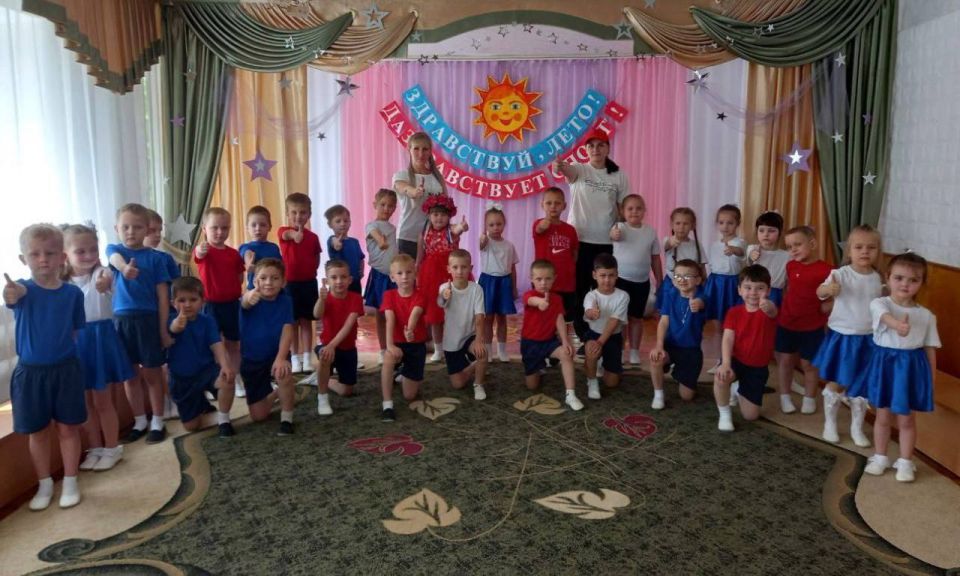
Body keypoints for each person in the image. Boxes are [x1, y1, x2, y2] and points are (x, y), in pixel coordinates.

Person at [5, 224, 86, 510]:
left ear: (62, 257)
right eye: (35, 254)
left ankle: (71, 480)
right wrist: (10, 293)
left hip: (66, 371)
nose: (43, 259)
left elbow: (75, 332)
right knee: (37, 432)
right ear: (23, 259)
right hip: (30, 375)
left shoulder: (73, 294)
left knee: (68, 429)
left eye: (50, 253)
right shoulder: (22, 290)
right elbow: (12, 295)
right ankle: (45, 483)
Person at [849, 253, 940, 483]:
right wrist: (898, 325)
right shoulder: (880, 303)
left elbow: (930, 349)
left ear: (922, 283)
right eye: (899, 278)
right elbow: (885, 317)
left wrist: (931, 379)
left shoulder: (927, 316)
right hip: (884, 367)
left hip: (909, 370)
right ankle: (880, 457)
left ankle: (905, 461)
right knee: (882, 416)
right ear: (888, 278)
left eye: (913, 280)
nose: (905, 284)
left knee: (906, 419)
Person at [62, 224, 130, 472]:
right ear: (65, 254)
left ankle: (112, 447)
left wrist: (104, 284)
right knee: (85, 403)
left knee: (102, 401)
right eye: (81, 251)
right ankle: (95, 447)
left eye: (93, 249)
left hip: (100, 339)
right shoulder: (62, 282)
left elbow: (107, 281)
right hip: (75, 343)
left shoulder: (102, 273)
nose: (89, 255)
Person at [552, 129, 630, 341]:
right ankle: (581, 335)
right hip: (579, 242)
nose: (596, 149)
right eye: (591, 146)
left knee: (603, 290)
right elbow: (565, 170)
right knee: (578, 289)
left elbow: (623, 209)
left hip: (606, 243)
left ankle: (601, 335)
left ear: (608, 148)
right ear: (585, 150)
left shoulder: (619, 175)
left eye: (600, 145)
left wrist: (619, 228)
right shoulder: (580, 169)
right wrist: (558, 166)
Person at [811, 225, 883, 447]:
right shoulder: (840, 274)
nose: (865, 251)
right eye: (858, 247)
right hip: (843, 337)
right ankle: (830, 423)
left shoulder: (877, 278)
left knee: (862, 384)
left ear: (878, 251)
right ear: (849, 251)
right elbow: (820, 291)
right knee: (837, 381)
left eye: (871, 247)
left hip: (869, 339)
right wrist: (828, 290)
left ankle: (856, 428)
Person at [107, 203, 172, 444]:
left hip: (148, 321)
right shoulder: (115, 250)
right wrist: (124, 268)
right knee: (130, 376)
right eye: (125, 227)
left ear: (147, 229)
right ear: (116, 228)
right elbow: (113, 258)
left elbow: (163, 297)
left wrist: (163, 330)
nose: (131, 232)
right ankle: (139, 420)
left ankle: (158, 420)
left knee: (152, 374)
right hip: (122, 322)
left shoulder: (155, 259)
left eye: (137, 227)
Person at [165, 277, 236, 436]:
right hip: (181, 379)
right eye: (181, 300)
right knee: (191, 426)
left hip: (206, 371)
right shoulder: (170, 320)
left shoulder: (207, 320)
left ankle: (224, 421)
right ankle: (201, 403)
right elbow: (173, 328)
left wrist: (225, 365)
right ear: (173, 303)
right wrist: (177, 324)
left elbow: (216, 344)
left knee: (227, 379)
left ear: (203, 301)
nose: (187, 304)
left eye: (193, 299)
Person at [713, 265, 779, 432]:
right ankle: (724, 414)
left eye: (760, 288)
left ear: (768, 290)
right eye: (748, 287)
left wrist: (768, 305)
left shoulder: (768, 310)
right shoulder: (734, 312)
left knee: (750, 416)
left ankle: (737, 389)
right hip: (736, 360)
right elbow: (728, 339)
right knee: (721, 377)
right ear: (739, 290)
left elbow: (772, 310)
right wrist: (725, 363)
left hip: (757, 368)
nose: (753, 292)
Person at [775, 226, 832, 415]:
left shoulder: (828, 270)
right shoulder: (791, 266)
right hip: (787, 323)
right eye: (789, 246)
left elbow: (834, 299)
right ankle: (784, 396)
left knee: (809, 365)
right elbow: (790, 290)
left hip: (813, 327)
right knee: (785, 361)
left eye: (797, 244)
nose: (793, 250)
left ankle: (809, 398)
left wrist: (824, 309)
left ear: (812, 244)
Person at [239, 258, 296, 435]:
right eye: (263, 278)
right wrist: (249, 296)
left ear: (283, 282)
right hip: (252, 360)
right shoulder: (251, 298)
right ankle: (278, 392)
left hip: (275, 354)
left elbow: (287, 330)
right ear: (255, 281)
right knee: (259, 416)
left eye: (275, 278)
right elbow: (245, 302)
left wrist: (281, 358)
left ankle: (287, 418)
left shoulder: (286, 301)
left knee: (283, 372)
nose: (268, 283)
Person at [193, 207, 245, 403]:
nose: (219, 232)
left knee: (233, 344)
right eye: (214, 228)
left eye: (224, 228)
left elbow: (239, 277)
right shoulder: (204, 251)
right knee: (211, 345)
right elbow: (198, 254)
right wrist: (200, 249)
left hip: (231, 305)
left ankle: (236, 378)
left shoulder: (233, 254)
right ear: (204, 229)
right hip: (210, 306)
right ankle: (211, 381)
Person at [520, 260, 583, 411]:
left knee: (566, 354)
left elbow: (559, 319)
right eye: (539, 279)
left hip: (549, 342)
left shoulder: (557, 299)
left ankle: (570, 395)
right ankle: (540, 366)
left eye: (548, 279)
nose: (543, 283)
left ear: (554, 278)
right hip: (530, 344)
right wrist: (540, 302)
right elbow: (531, 300)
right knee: (532, 386)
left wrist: (566, 341)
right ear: (531, 279)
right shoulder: (529, 294)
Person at [648, 259, 707, 410]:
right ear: (673, 279)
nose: (682, 280)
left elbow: (704, 303)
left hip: (691, 350)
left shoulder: (702, 297)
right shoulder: (671, 294)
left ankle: (680, 373)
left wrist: (700, 304)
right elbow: (663, 321)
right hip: (670, 345)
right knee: (656, 357)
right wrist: (659, 345)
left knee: (687, 396)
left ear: (698, 280)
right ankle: (658, 394)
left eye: (687, 276)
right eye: (678, 276)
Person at [610, 194, 661, 366]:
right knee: (621, 319)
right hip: (621, 281)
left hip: (641, 282)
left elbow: (655, 258)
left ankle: (634, 351)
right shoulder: (619, 227)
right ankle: (620, 351)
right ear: (623, 212)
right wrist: (613, 234)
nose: (634, 212)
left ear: (644, 211)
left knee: (636, 318)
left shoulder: (650, 232)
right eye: (630, 209)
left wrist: (659, 280)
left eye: (639, 208)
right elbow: (612, 236)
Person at [416, 193, 468, 364]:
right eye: (435, 214)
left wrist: (462, 227)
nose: (439, 218)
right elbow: (420, 256)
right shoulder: (424, 233)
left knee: (454, 314)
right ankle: (438, 349)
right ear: (429, 215)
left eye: (443, 215)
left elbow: (459, 229)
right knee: (434, 314)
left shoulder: (451, 231)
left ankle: (457, 347)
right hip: (430, 277)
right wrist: (417, 272)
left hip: (451, 275)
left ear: (449, 216)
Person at [312, 260, 364, 415]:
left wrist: (332, 346)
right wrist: (321, 299)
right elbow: (316, 315)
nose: (339, 281)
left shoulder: (356, 298)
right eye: (334, 277)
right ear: (327, 281)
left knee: (346, 391)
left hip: (347, 348)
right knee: (325, 355)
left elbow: (348, 327)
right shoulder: (325, 298)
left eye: (343, 277)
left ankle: (321, 379)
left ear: (350, 280)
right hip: (327, 345)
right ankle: (322, 398)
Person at [277, 193, 321, 374]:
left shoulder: (313, 237)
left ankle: (307, 357)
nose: (298, 216)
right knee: (292, 323)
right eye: (294, 212)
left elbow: (316, 257)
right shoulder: (283, 231)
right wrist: (295, 235)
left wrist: (312, 270)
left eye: (302, 212)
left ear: (309, 214)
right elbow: (286, 235)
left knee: (306, 322)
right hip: (290, 285)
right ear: (287, 214)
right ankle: (295, 358)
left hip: (308, 283)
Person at [379, 254, 427, 422]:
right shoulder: (389, 295)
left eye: (408, 272)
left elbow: (415, 313)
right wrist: (390, 345)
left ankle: (400, 373)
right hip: (397, 343)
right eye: (399, 273)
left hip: (416, 345)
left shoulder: (421, 295)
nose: (405, 277)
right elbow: (389, 320)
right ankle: (387, 405)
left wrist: (410, 330)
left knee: (410, 395)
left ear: (415, 274)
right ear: (392, 277)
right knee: (388, 357)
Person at [438, 250, 488, 399]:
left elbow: (480, 317)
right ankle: (474, 366)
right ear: (448, 269)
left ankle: (478, 384)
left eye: (464, 267)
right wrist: (444, 296)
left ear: (470, 268)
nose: (459, 271)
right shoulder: (444, 288)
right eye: (455, 267)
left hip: (470, 336)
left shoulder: (476, 289)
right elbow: (440, 302)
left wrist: (479, 340)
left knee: (482, 353)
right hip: (451, 342)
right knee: (458, 384)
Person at [582, 254, 629, 401]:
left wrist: (600, 343)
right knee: (591, 350)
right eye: (603, 276)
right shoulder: (591, 296)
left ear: (617, 275)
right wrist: (592, 313)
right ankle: (592, 381)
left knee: (611, 383)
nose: (607, 280)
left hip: (613, 337)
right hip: (593, 334)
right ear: (594, 275)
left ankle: (601, 362)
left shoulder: (623, 296)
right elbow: (588, 311)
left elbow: (614, 322)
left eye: (611, 275)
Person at [532, 187, 579, 335]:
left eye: (557, 203)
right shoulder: (539, 224)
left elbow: (574, 254)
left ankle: (564, 343)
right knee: (545, 318)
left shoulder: (570, 230)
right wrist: (544, 224)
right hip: (545, 284)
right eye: (549, 203)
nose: (553, 206)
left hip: (566, 283)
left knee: (565, 319)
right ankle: (544, 343)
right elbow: (539, 229)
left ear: (564, 206)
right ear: (542, 205)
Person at [393, 132, 445, 258]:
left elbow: (445, 208)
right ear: (409, 149)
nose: (421, 154)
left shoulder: (437, 178)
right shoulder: (401, 175)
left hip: (433, 238)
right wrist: (413, 191)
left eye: (425, 149)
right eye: (416, 149)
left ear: (430, 151)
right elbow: (403, 187)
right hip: (407, 237)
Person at [478, 203, 518, 363]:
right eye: (491, 225)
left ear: (504, 224)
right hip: (488, 282)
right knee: (488, 318)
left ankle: (502, 350)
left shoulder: (509, 246)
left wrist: (514, 287)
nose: (495, 227)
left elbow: (513, 268)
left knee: (502, 318)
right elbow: (481, 243)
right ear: (486, 226)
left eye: (499, 224)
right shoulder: (486, 242)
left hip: (504, 282)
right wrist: (483, 236)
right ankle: (488, 351)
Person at [364, 189, 399, 365]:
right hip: (379, 276)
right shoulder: (371, 226)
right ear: (375, 205)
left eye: (391, 206)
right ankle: (383, 349)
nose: (386, 209)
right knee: (380, 313)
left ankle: (394, 346)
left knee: (394, 313)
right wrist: (381, 241)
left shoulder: (392, 228)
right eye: (383, 205)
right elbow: (377, 236)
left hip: (393, 277)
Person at [656, 207, 706, 311]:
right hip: (672, 283)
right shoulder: (669, 241)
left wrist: (704, 282)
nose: (681, 227)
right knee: (669, 310)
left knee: (689, 309)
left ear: (692, 226)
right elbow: (666, 245)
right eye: (678, 223)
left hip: (691, 285)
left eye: (685, 224)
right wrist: (671, 242)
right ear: (672, 225)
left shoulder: (697, 245)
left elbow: (701, 266)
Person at [745, 211, 789, 308]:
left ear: (780, 232)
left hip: (775, 294)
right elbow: (748, 264)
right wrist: (751, 257)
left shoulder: (787, 256)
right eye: (761, 230)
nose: (766, 234)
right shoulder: (752, 249)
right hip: (754, 292)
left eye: (771, 231)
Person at [238, 205, 281, 291]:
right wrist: (249, 264)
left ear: (269, 227)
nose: (258, 228)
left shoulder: (274, 247)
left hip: (274, 290)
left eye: (262, 225)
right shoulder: (246, 247)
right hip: (255, 290)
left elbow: (281, 267)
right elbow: (247, 253)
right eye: (253, 225)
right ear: (247, 228)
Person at [324, 204, 364, 295]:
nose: (342, 224)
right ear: (330, 224)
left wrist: (361, 271)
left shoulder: (355, 241)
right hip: (339, 282)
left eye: (346, 221)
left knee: (356, 300)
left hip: (354, 280)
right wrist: (337, 244)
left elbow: (361, 258)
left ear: (350, 222)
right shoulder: (332, 239)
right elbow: (334, 242)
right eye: (338, 221)